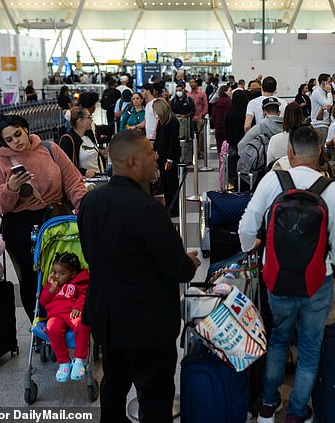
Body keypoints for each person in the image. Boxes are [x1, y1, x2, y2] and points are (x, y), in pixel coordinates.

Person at [77, 129, 200, 423]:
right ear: (132, 162)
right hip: (147, 323)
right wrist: (191, 261)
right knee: (155, 396)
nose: (155, 157)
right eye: (149, 153)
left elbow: (92, 253)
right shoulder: (148, 210)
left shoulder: (91, 203)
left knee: (113, 386)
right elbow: (178, 269)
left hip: (108, 317)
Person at [238, 125, 335, 423]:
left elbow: (246, 226)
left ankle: (267, 405)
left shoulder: (272, 181)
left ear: (289, 152)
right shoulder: (333, 190)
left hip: (276, 278)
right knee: (309, 346)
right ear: (319, 152)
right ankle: (297, 412)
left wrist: (251, 246)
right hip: (317, 280)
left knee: (278, 338)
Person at [0, 115, 87, 321]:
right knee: (32, 279)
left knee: (66, 272)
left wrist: (86, 209)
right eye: (9, 140)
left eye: (18, 134)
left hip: (57, 221)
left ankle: (63, 318)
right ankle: (38, 323)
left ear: (25, 129)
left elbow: (74, 182)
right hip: (20, 229)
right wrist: (10, 189)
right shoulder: (0, 163)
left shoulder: (50, 149)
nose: (16, 142)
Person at [39, 252, 91, 383]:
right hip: (56, 315)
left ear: (72, 274)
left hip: (72, 312)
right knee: (52, 329)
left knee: (82, 324)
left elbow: (84, 296)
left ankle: (79, 360)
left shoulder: (79, 283)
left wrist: (78, 307)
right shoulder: (52, 286)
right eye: (55, 272)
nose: (57, 276)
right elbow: (43, 302)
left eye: (62, 274)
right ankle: (64, 363)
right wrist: (51, 288)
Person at [59, 106, 106, 177]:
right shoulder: (67, 140)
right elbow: (65, 167)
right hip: (82, 183)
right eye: (89, 117)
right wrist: (84, 172)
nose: (91, 120)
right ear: (79, 121)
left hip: (98, 178)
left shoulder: (89, 134)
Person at [152, 99, 181, 211]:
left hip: (169, 158)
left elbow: (173, 142)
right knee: (165, 183)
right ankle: (169, 205)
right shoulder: (161, 122)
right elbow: (158, 139)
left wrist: (169, 159)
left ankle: (174, 208)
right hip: (161, 156)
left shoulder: (172, 122)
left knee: (171, 183)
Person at [310, 73, 333, 141]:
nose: (330, 84)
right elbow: (329, 105)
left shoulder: (322, 92)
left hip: (323, 124)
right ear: (323, 83)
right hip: (319, 124)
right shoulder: (317, 92)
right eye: (329, 82)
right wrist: (329, 92)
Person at [210, 84, 232, 153]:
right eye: (230, 91)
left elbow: (213, 116)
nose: (231, 92)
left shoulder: (215, 103)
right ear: (225, 92)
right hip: (228, 129)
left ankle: (221, 163)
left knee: (220, 150)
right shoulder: (230, 103)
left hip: (218, 129)